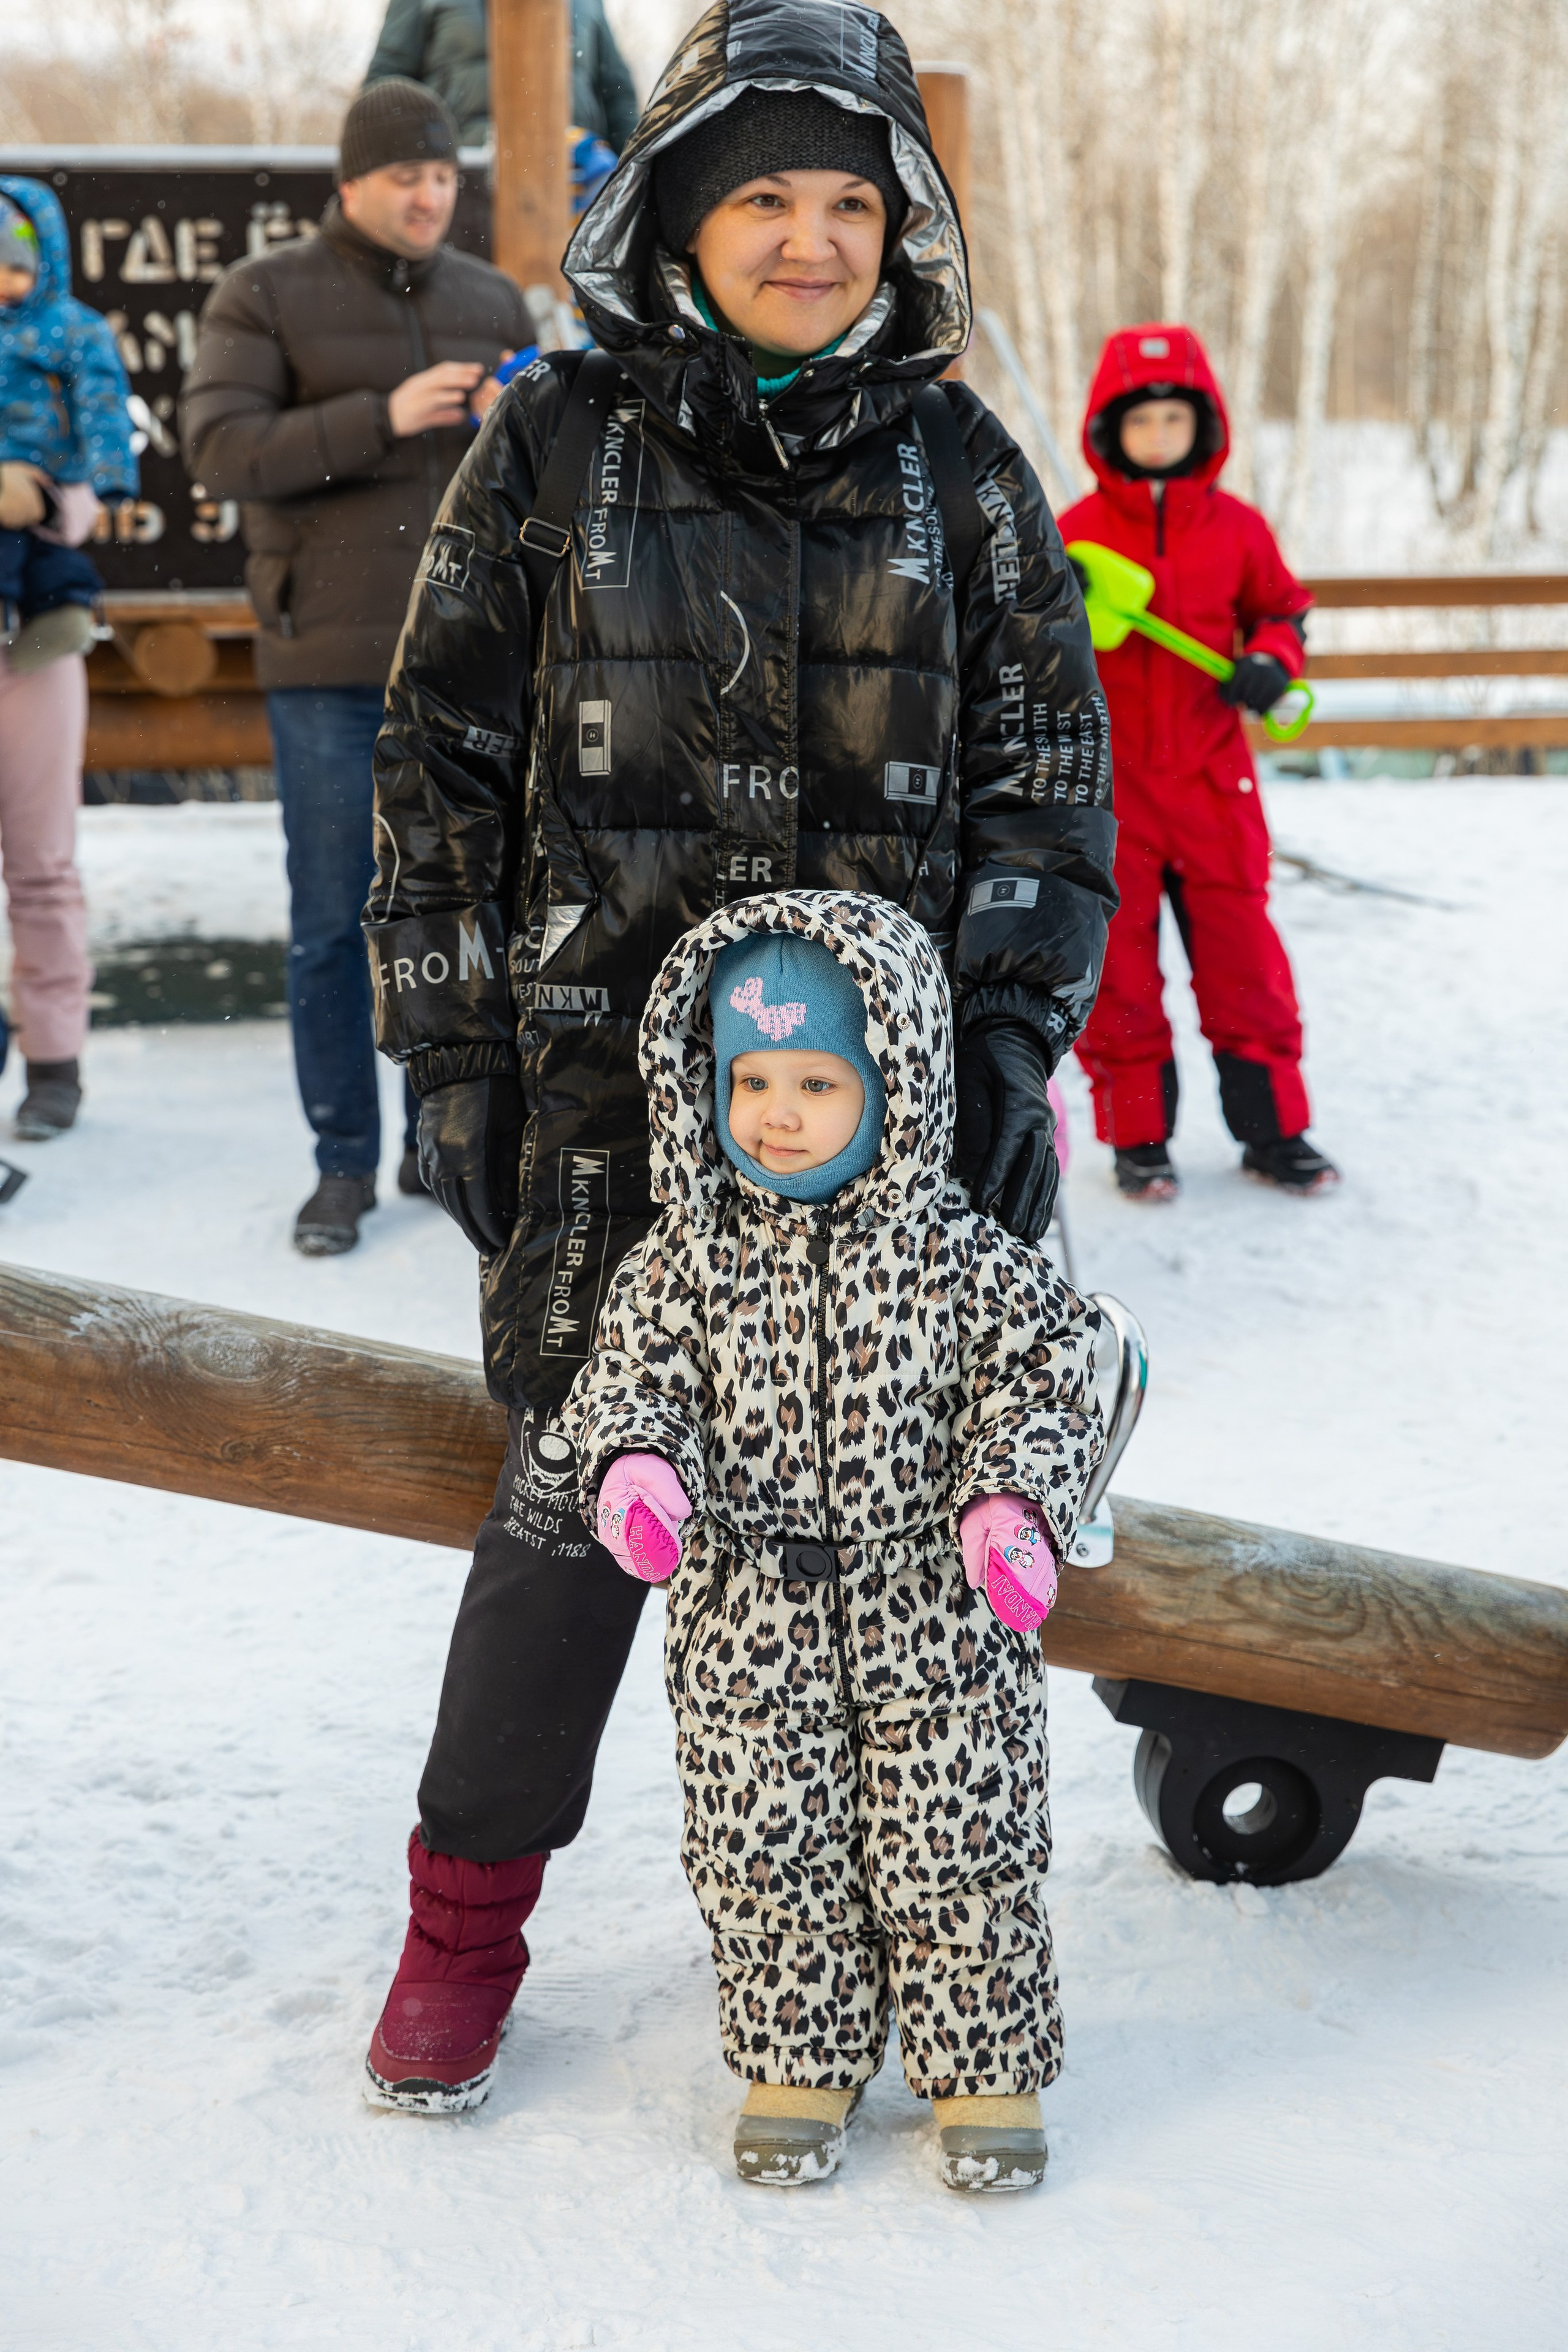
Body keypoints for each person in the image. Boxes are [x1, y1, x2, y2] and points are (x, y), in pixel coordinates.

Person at [360, 0, 1117, 2115]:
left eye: (846, 200)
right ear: (676, 219)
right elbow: (436, 774)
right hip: (610, 1122)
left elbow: (1051, 785)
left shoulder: (959, 466)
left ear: (903, 227)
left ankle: (926, 1979)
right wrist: (462, 1073)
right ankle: (462, 1925)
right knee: (569, 1527)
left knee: (920, 1564)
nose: (806, 237)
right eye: (761, 198)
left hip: (894, 1155)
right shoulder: (559, 446)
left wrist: (995, 1055)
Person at [556, 892, 1101, 2192]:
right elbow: (630, 1381)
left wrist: (1009, 1508)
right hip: (748, 1616)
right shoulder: (681, 1262)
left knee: (958, 1845)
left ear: (895, 1081)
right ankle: (798, 2050)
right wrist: (639, 1469)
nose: (774, 1112)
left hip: (936, 1611)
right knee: (763, 1846)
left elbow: (1047, 1382)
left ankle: (983, 2066)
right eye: (748, 1079)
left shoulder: (965, 1261)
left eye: (815, 1079)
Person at [181, 80, 531, 1254]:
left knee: (470, 916)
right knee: (335, 921)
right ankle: (342, 1164)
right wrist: (379, 416)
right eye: (404, 177)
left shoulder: (490, 298)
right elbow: (219, 450)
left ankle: (445, 1142)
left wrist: (507, 416)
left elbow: (547, 466)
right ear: (351, 183)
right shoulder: (265, 291)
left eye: (442, 176)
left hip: (472, 668)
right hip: (329, 667)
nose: (429, 195)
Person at [1059, 325, 1337, 1200]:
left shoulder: (1238, 529)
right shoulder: (1075, 535)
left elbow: (1283, 613)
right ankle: (1140, 1138)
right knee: (1124, 980)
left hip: (1217, 791)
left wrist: (1271, 663)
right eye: (1139, 423)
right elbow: (1027, 646)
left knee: (1244, 969)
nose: (1157, 437)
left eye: (1175, 420)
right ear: (1108, 431)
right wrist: (1052, 597)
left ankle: (1275, 1132)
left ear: (1202, 426)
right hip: (1117, 800)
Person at [0, 177, 138, 1144]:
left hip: (34, 637)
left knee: (42, 863)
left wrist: (48, 497)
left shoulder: (70, 335)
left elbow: (93, 482)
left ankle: (54, 1061)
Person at [363, 0, 638, 153]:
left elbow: (617, 91)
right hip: (463, 174)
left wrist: (625, 168)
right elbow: (386, 86)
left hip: (573, 178)